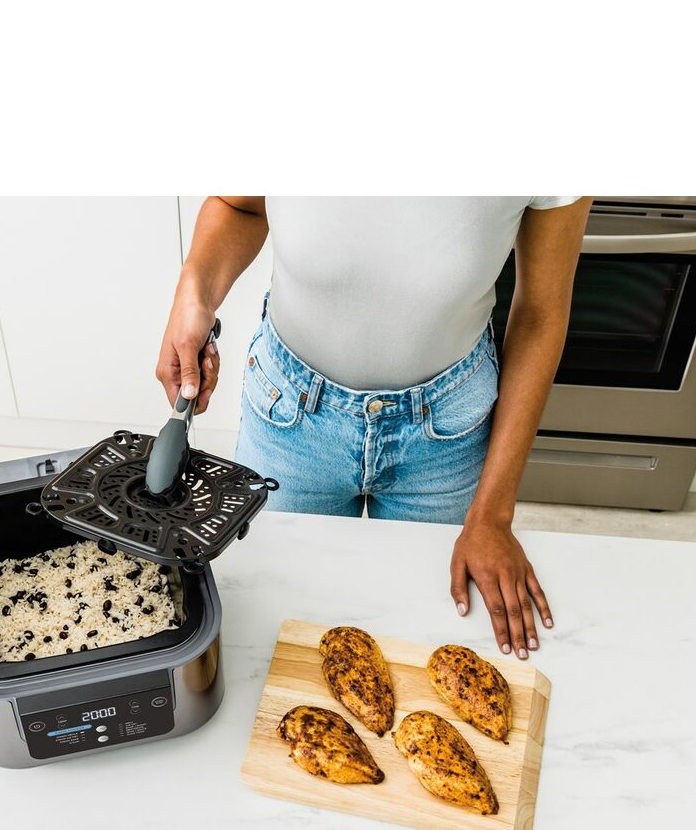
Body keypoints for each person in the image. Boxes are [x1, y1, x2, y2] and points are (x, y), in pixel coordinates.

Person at [155, 196, 592, 660]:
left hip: (446, 436)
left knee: (435, 642)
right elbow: (239, 206)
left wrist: (493, 516)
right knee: (263, 640)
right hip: (290, 422)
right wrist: (194, 294)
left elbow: (541, 314)